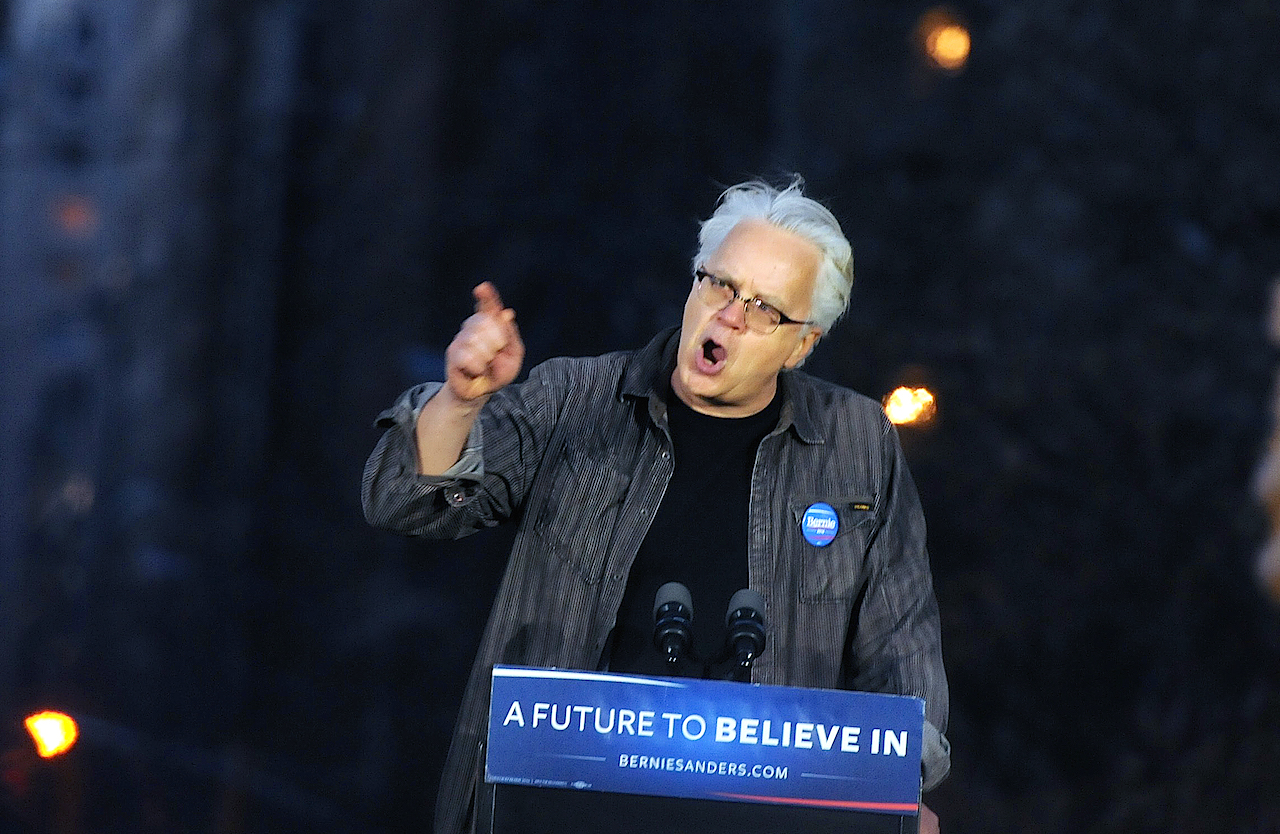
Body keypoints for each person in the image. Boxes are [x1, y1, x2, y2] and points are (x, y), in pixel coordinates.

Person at [362, 176, 950, 834]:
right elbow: (405, 501)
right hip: (557, 805)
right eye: (720, 284)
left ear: (803, 343)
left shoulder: (856, 441)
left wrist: (898, 794)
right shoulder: (575, 400)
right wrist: (461, 399)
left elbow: (902, 649)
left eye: (763, 308)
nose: (728, 314)